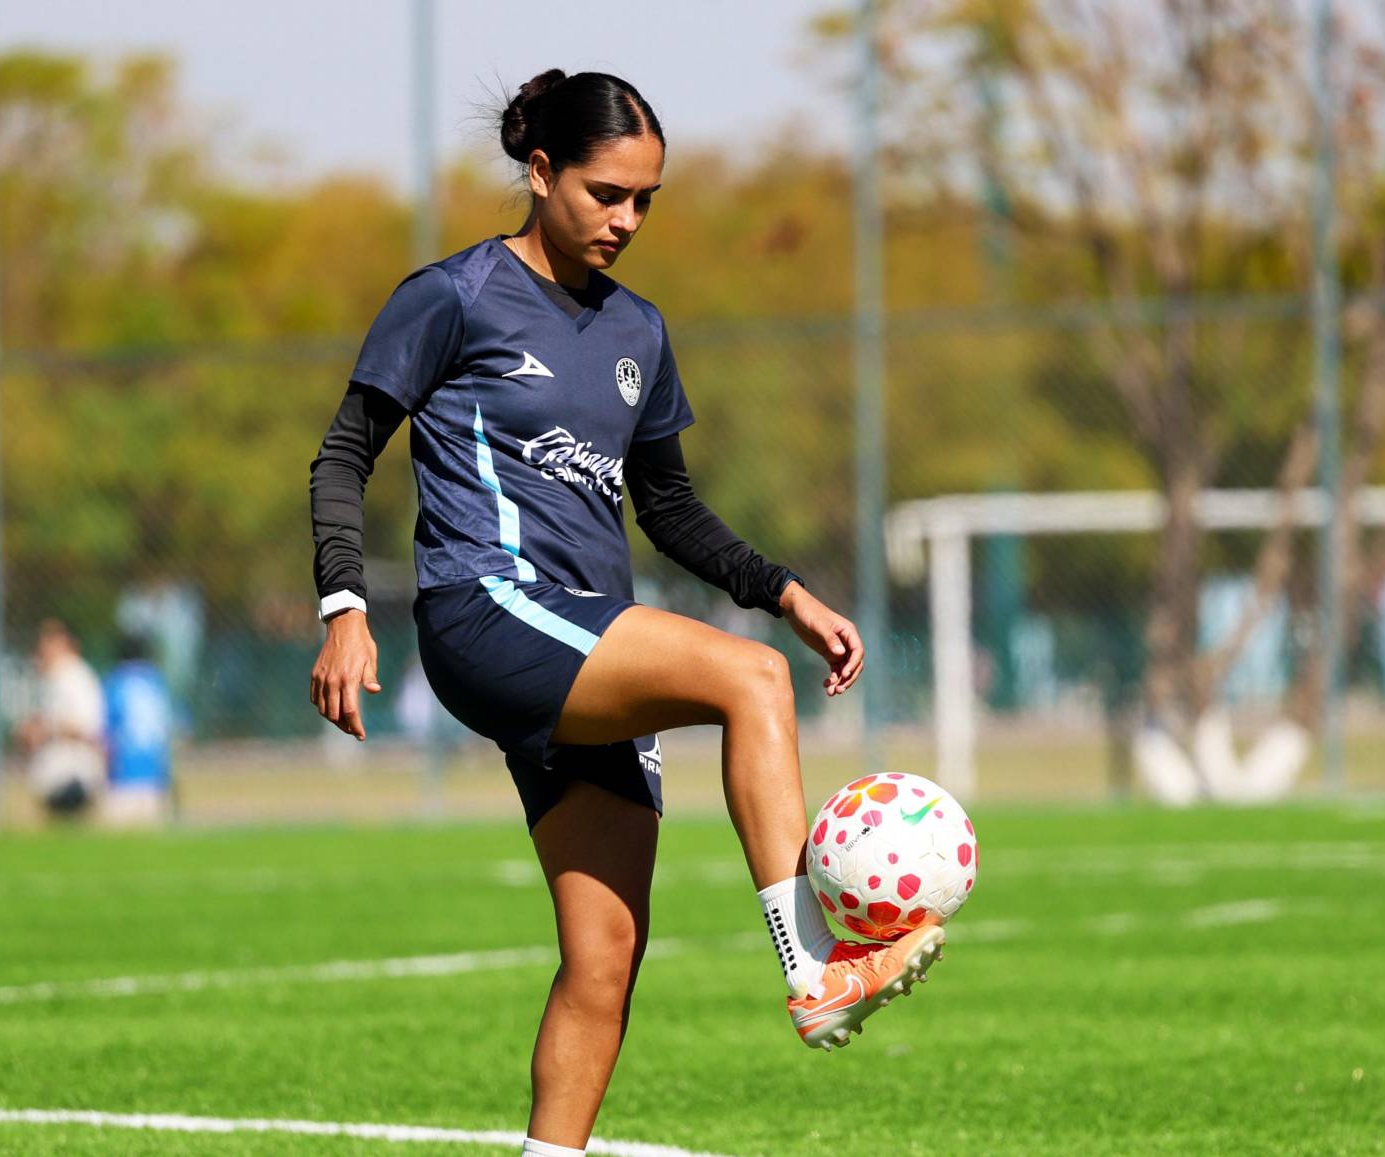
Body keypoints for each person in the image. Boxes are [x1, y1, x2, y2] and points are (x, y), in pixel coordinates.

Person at [308, 70, 942, 1156]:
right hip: (487, 607)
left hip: (584, 639)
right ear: (540, 171)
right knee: (751, 679)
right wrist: (342, 604)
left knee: (603, 956)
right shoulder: (453, 296)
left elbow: (669, 508)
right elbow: (342, 453)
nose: (627, 218)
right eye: (606, 192)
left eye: (645, 198)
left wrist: (783, 590)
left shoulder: (636, 329)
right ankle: (816, 965)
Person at [19, 619, 105, 818]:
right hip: (58, 768)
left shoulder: (75, 676)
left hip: (75, 769)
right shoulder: (53, 678)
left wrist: (46, 730)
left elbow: (86, 727)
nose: (43, 649)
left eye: (49, 642)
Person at [102, 633, 174, 826]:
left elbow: (106, 733)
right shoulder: (157, 683)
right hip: (155, 775)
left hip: (124, 774)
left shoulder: (115, 683)